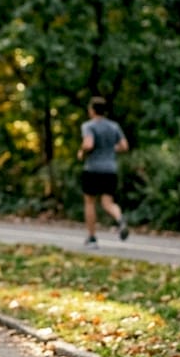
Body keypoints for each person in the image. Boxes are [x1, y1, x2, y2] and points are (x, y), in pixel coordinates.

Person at [77, 96, 129, 247]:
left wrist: (81, 151)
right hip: (110, 169)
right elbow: (124, 146)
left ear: (92, 110)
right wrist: (111, 149)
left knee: (90, 202)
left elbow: (88, 144)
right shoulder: (114, 126)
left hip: (93, 169)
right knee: (108, 203)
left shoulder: (89, 126)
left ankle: (92, 238)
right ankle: (119, 219)